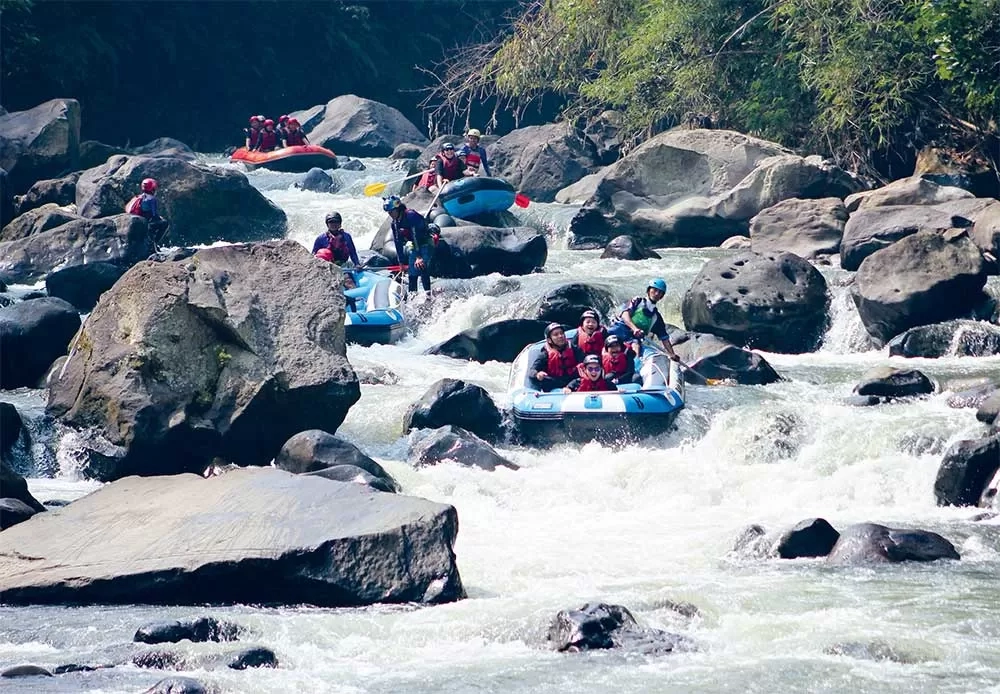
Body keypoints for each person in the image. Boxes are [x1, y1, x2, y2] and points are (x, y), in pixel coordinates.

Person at [607, 278, 681, 361]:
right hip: (618, 331)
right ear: (649, 290)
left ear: (662, 296)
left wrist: (672, 354)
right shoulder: (637, 301)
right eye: (655, 290)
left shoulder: (656, 318)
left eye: (660, 292)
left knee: (636, 347)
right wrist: (635, 329)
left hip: (633, 340)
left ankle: (635, 368)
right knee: (603, 334)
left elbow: (664, 338)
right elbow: (625, 315)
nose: (657, 293)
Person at [384, 195, 433, 294]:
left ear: (398, 209)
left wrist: (419, 257)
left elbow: (416, 235)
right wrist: (401, 262)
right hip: (414, 245)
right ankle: (413, 295)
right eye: (388, 213)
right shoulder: (395, 223)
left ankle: (428, 294)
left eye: (391, 212)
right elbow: (398, 242)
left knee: (421, 266)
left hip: (424, 242)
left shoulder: (411, 215)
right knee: (412, 273)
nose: (390, 214)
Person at [528, 322, 583, 392]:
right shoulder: (545, 354)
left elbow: (584, 362)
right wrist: (537, 375)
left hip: (573, 381)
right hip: (555, 383)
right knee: (546, 381)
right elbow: (532, 371)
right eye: (556, 335)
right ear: (549, 340)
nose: (560, 336)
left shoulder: (574, 348)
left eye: (561, 333)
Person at [126, 177, 169, 249]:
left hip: (137, 220)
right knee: (164, 223)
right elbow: (154, 215)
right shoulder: (152, 199)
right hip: (146, 223)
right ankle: (154, 243)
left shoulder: (138, 197)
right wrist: (160, 218)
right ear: (153, 188)